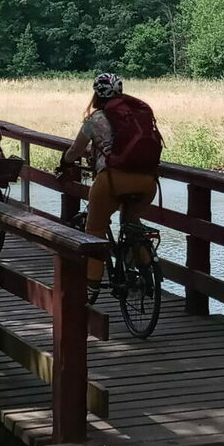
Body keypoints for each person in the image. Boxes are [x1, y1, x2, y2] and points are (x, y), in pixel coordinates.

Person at [57, 73, 163, 291]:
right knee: (132, 223)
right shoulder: (137, 114)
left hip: (113, 180)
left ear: (97, 94)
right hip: (147, 181)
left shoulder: (95, 119)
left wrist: (65, 163)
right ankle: (145, 273)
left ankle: (92, 284)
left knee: (95, 228)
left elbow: (75, 150)